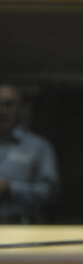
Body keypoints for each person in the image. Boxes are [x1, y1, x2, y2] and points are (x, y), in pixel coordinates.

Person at [0, 83, 59, 223]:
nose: (2, 111)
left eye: (9, 105)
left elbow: (49, 193)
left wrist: (10, 188)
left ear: (21, 109)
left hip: (20, 228)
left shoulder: (39, 147)